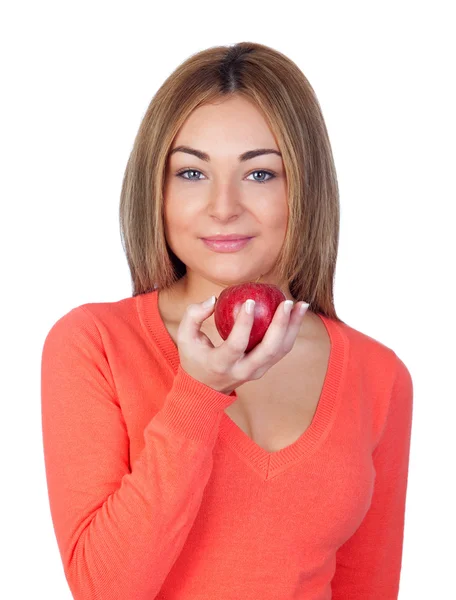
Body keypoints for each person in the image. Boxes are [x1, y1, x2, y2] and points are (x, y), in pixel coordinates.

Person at [41, 41, 413, 599]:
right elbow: (103, 588)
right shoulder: (94, 344)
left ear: (305, 188)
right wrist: (198, 392)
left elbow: (369, 587)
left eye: (260, 175)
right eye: (191, 173)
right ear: (157, 190)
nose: (222, 206)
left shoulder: (378, 374)